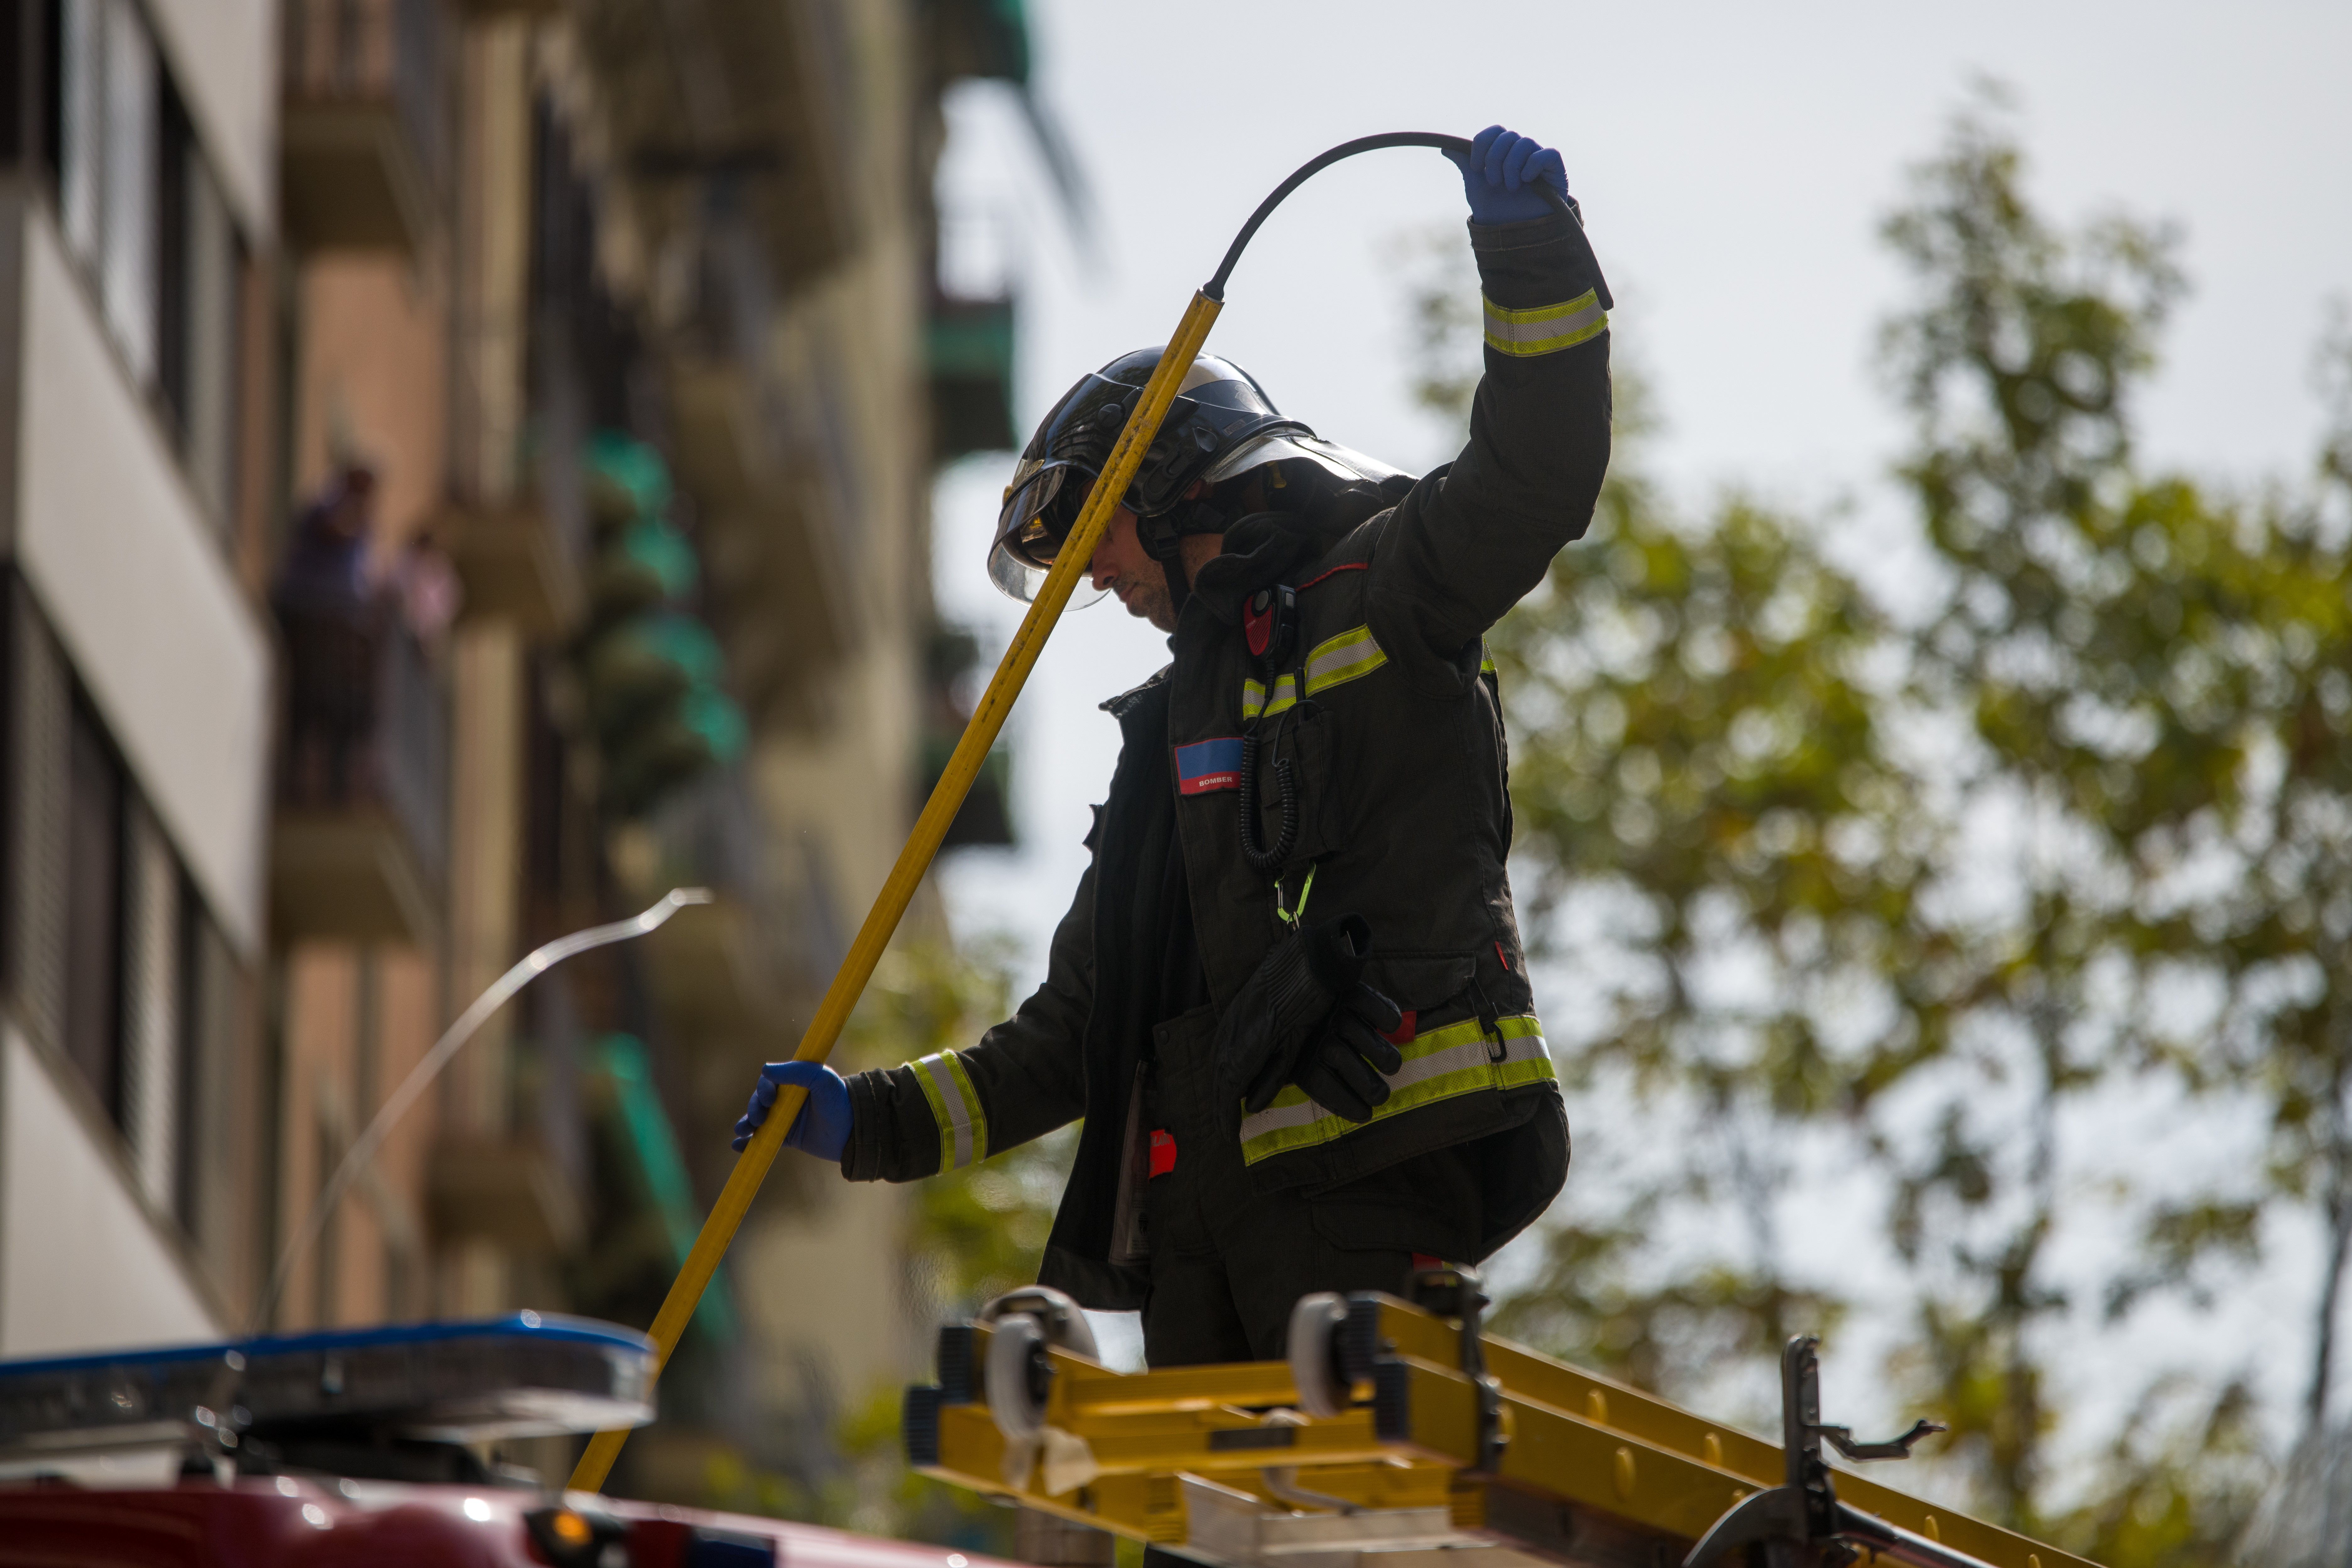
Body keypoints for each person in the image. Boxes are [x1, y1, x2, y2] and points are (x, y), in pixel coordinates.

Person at [735, 126, 1612, 1367]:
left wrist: (1528, 256)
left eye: (1100, 535)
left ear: (1178, 483)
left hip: (1371, 1169)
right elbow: (1074, 1035)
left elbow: (1540, 473)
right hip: (1197, 1227)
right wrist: (864, 1123)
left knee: (1345, 1532)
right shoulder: (1169, 741)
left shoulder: (1390, 583)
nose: (1095, 574)